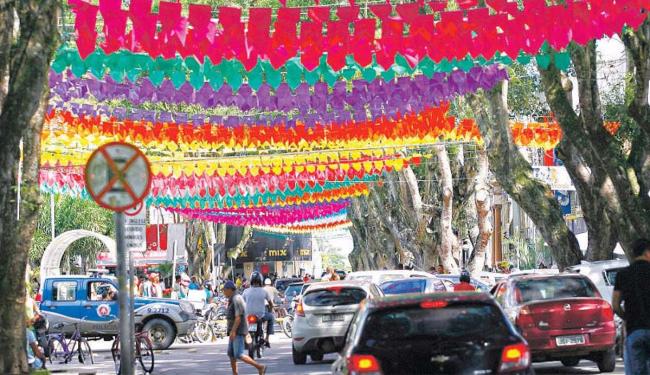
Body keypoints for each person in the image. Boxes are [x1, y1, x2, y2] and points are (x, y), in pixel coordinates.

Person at [612, 238, 650, 375]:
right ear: (647, 252)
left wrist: (627, 317)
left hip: (635, 330)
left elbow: (615, 305)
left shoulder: (623, 274)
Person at [223, 281, 266, 375]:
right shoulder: (232, 299)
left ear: (230, 290)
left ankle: (260, 367)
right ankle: (235, 373)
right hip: (233, 330)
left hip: (238, 331)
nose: (224, 292)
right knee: (231, 354)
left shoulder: (236, 299)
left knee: (239, 354)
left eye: (225, 290)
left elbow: (238, 318)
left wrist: (233, 331)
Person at [242, 272, 275, 347]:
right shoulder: (264, 291)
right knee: (271, 317)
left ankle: (245, 339)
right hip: (261, 316)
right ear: (260, 281)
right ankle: (267, 339)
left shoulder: (246, 291)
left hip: (248, 316)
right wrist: (270, 310)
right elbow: (271, 304)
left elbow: (241, 302)